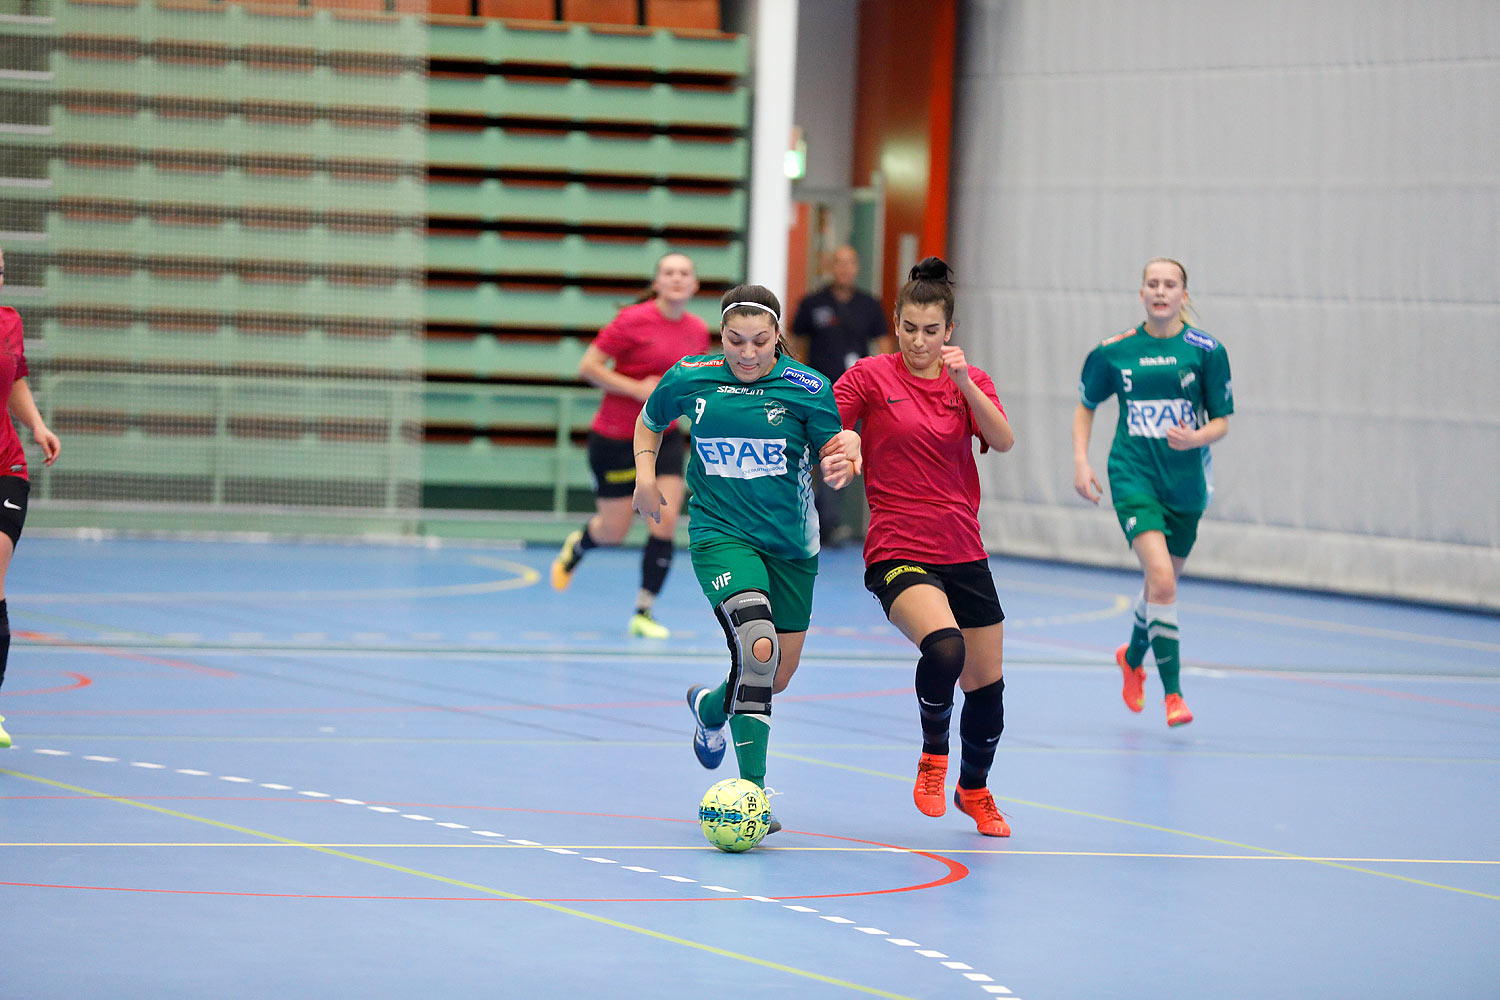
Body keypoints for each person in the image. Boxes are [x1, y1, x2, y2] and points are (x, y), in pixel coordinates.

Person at [632, 284, 860, 835]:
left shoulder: (808, 387)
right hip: (720, 535)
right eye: (736, 341)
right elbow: (649, 419)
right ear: (721, 335)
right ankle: (752, 799)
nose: (748, 353)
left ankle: (711, 709)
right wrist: (645, 474)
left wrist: (846, 454)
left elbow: (835, 445)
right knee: (758, 648)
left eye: (761, 341)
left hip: (791, 548)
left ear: (779, 335)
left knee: (774, 676)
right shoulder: (691, 376)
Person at [830, 256, 1016, 837]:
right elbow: (827, 425)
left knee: (987, 689)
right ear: (896, 323)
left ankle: (974, 788)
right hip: (897, 543)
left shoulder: (971, 381)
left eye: (930, 331)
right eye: (909, 328)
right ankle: (933, 755)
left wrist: (963, 383)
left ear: (949, 331)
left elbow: (1003, 439)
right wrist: (848, 443)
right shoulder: (870, 377)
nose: (918, 341)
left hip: (962, 546)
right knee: (944, 648)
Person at [1072, 257, 1233, 728]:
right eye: (1152, 284)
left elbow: (1222, 420)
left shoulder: (1207, 351)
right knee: (1161, 578)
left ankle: (1132, 656)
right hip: (1132, 476)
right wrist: (1082, 462)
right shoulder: (1114, 352)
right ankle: (1175, 695)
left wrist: (1197, 437)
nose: (1161, 292)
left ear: (1185, 295)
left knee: (1161, 586)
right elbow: (1086, 407)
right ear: (1141, 293)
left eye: (1170, 285)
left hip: (1186, 485)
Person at [550, 252, 711, 639]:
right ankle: (582, 543)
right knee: (614, 530)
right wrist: (637, 388)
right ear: (656, 282)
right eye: (668, 272)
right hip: (616, 438)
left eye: (684, 273)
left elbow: (692, 383)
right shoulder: (631, 321)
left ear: (694, 285)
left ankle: (644, 611)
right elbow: (588, 367)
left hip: (664, 437)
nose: (676, 278)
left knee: (665, 518)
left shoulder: (697, 330)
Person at [0, 244, 63, 749]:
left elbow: (15, 376)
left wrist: (37, 426)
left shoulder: (10, 322)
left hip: (7, 467)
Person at [789, 245, 891, 546]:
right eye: (838, 263)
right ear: (829, 267)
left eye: (849, 263)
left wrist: (885, 387)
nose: (844, 269)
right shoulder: (812, 303)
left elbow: (883, 345)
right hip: (819, 395)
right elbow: (795, 344)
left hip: (859, 397)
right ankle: (809, 519)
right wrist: (797, 382)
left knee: (846, 454)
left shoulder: (869, 305)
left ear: (857, 268)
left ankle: (830, 524)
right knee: (812, 456)